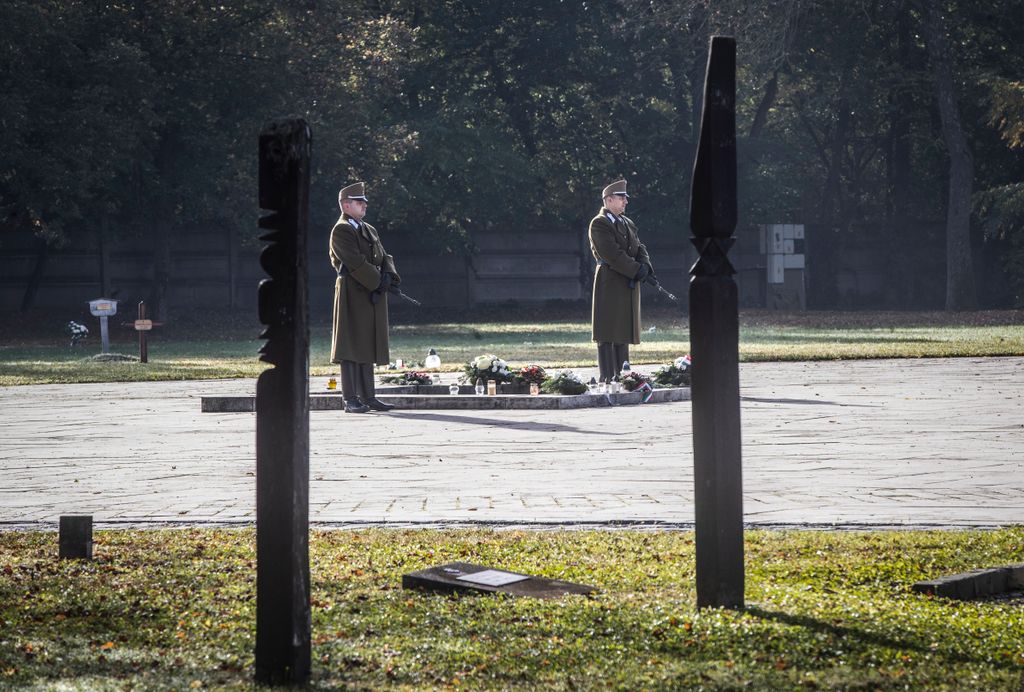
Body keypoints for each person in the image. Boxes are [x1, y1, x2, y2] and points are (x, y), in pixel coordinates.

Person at [329, 182, 401, 413]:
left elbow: (383, 255)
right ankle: (351, 399)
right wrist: (378, 281)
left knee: (367, 344)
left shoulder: (368, 228)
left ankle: (369, 396)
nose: (364, 206)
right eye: (359, 202)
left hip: (370, 293)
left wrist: (389, 276)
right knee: (351, 346)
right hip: (352, 292)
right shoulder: (341, 229)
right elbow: (354, 261)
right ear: (346, 205)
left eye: (364, 202)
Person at [588, 179, 654, 383]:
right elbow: (612, 254)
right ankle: (608, 377)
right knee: (607, 330)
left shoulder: (627, 222)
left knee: (623, 330)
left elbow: (639, 247)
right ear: (608, 200)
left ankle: (624, 376)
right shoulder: (599, 223)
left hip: (627, 282)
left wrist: (645, 267)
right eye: (621, 197)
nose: (625, 201)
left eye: (625, 197)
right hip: (610, 281)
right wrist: (636, 270)